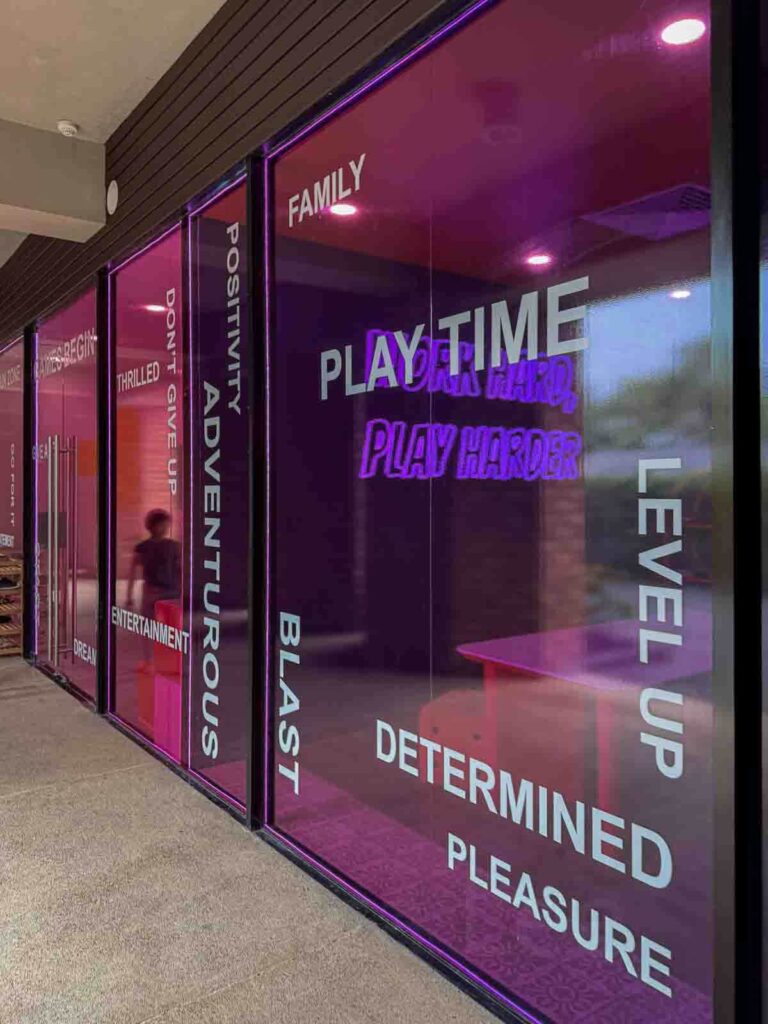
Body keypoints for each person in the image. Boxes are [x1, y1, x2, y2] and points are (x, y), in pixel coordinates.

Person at [126, 509, 181, 621]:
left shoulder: (174, 546)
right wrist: (129, 596)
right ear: (152, 526)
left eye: (167, 525)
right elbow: (132, 573)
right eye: (162, 525)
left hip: (171, 592)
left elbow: (180, 569)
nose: (165, 528)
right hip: (152, 592)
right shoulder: (142, 548)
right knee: (152, 623)